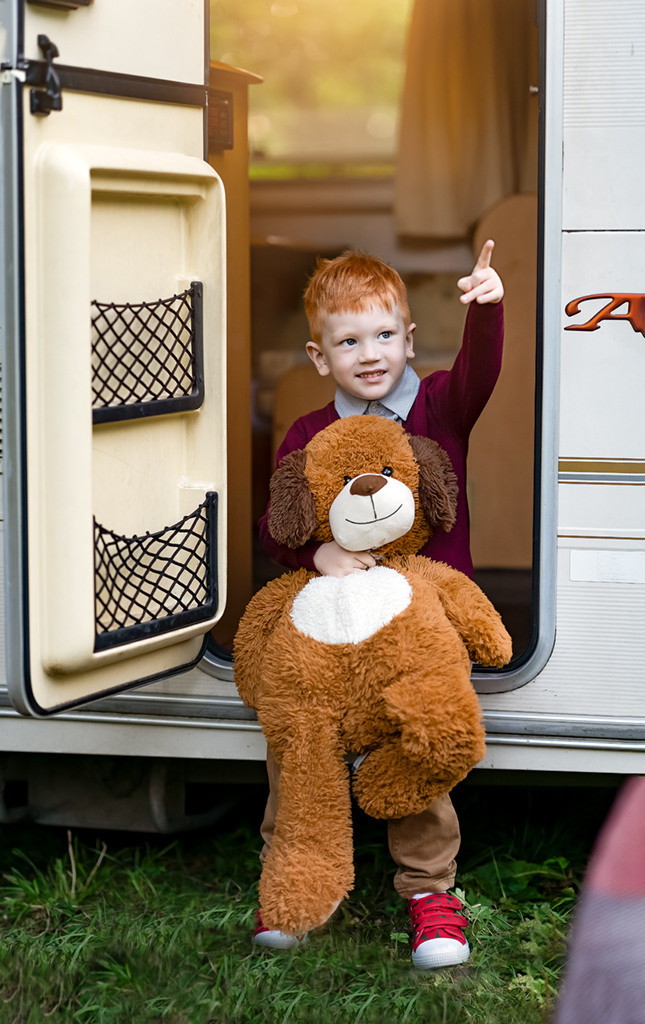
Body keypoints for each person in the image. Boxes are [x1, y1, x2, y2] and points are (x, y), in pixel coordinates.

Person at [253, 242, 504, 969]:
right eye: (348, 340)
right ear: (319, 355)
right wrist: (315, 555)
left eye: (384, 335)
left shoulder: (437, 409)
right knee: (296, 749)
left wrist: (486, 309)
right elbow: (278, 525)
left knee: (416, 750)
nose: (370, 354)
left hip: (414, 631)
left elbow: (480, 377)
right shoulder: (305, 434)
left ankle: (429, 893)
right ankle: (292, 881)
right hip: (334, 632)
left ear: (409, 340)